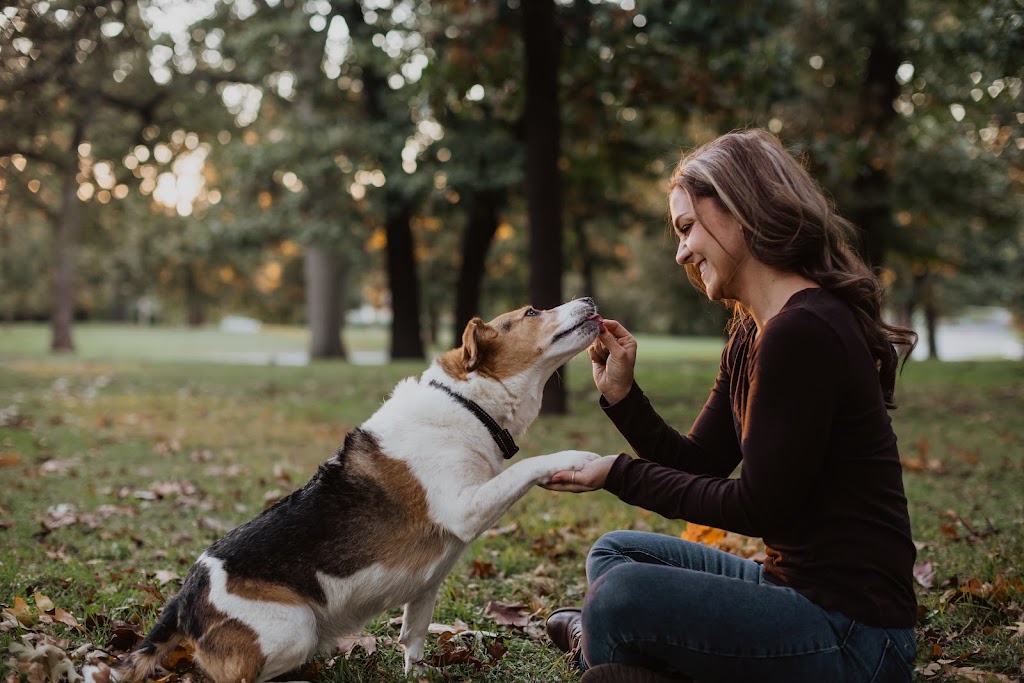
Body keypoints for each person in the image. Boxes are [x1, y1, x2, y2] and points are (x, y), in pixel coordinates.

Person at [541, 129, 920, 683]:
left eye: (687, 227)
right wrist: (622, 397)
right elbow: (700, 463)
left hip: (856, 636)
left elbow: (755, 507)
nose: (681, 252)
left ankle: (609, 650)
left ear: (741, 210)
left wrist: (617, 474)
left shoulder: (803, 331)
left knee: (620, 596)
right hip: (790, 587)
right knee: (615, 555)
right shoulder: (753, 330)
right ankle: (618, 654)